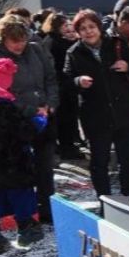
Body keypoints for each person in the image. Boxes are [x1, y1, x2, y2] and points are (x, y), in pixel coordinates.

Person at [0, 15, 59, 222]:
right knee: (19, 170)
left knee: (44, 167)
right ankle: (22, 213)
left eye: (23, 40)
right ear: (3, 38)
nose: (20, 45)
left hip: (43, 114)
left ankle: (46, 210)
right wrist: (30, 110)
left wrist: (50, 103)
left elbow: (50, 78)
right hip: (15, 122)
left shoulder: (35, 50)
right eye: (15, 41)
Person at [64, 8, 129, 197]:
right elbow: (66, 81)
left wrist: (128, 66)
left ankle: (128, 197)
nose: (88, 31)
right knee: (99, 162)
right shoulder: (74, 52)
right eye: (83, 28)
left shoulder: (116, 45)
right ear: (78, 32)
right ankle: (105, 199)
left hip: (123, 112)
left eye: (91, 26)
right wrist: (78, 81)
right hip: (96, 116)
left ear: (99, 28)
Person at [0, 58, 44, 252]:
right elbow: (24, 131)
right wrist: (39, 121)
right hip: (14, 161)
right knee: (21, 194)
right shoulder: (5, 107)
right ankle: (26, 230)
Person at [39, 12, 83, 160]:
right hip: (61, 85)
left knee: (66, 118)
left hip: (60, 84)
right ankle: (68, 148)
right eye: (65, 25)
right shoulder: (56, 42)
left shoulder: (50, 40)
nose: (68, 28)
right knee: (66, 118)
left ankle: (67, 146)